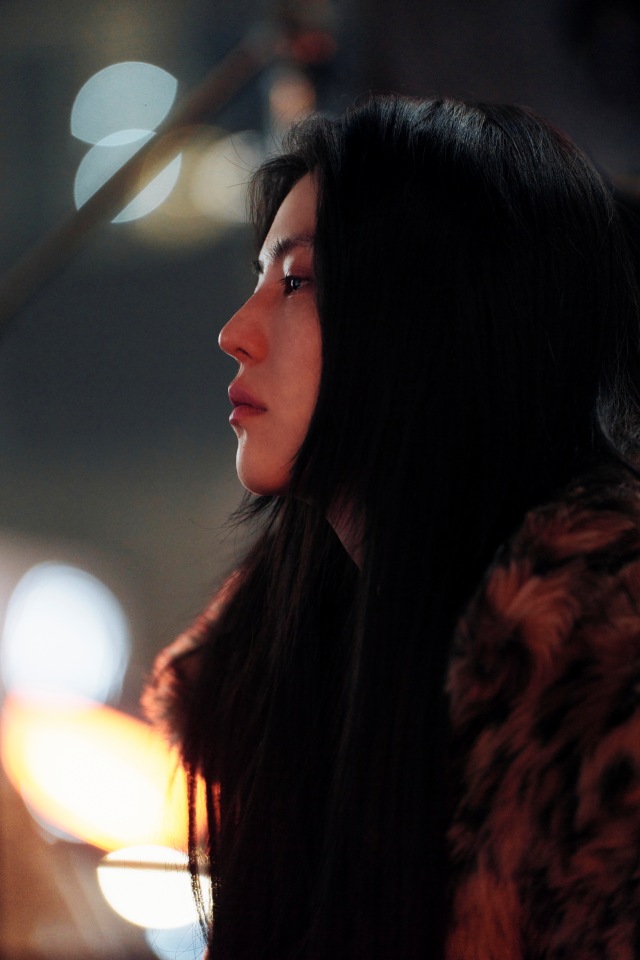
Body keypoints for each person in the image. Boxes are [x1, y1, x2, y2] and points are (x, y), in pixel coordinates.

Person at [142, 95, 640, 959]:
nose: (235, 333)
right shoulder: (275, 665)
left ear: (440, 315)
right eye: (260, 278)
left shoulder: (600, 661)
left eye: (298, 281)